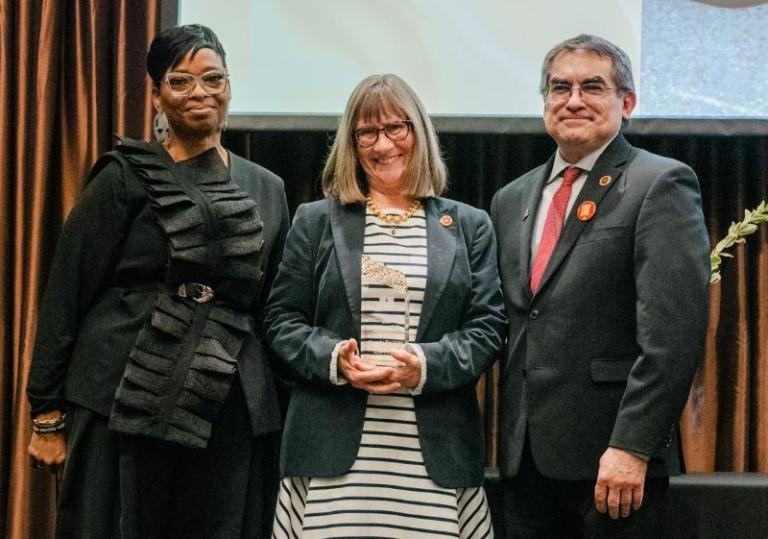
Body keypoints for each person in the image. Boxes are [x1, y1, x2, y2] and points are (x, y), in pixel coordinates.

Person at [26, 24, 288, 538]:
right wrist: (46, 414)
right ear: (156, 94)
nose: (200, 93)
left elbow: (272, 305)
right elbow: (65, 292)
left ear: (230, 85)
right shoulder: (125, 175)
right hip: (122, 395)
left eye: (213, 79)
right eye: (180, 81)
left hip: (228, 404)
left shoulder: (267, 187)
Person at [264, 73, 506, 538]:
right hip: (330, 455)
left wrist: (424, 365)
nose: (383, 144)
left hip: (433, 455)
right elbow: (280, 320)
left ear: (418, 131)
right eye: (367, 132)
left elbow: (488, 327)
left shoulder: (469, 225)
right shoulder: (315, 221)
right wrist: (335, 359)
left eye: (397, 127)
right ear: (351, 144)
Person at [491, 34, 710, 538]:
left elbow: (672, 335)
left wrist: (633, 446)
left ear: (626, 102)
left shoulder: (660, 183)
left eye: (592, 87)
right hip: (525, 464)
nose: (572, 100)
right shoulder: (511, 198)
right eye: (558, 87)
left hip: (613, 466)